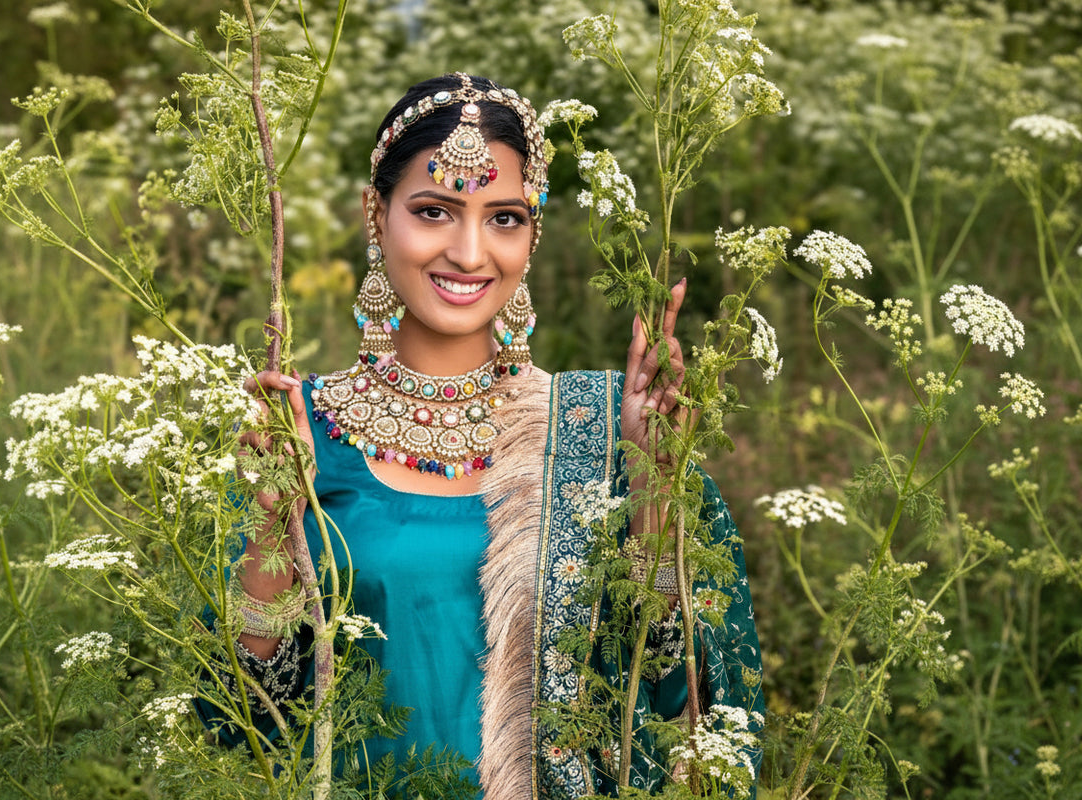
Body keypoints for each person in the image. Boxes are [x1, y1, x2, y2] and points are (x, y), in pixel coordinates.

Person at [214, 73, 763, 798]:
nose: (470, 253)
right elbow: (237, 724)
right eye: (435, 211)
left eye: (504, 217)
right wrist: (270, 520)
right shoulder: (299, 431)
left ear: (533, 232)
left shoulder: (599, 431)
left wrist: (652, 495)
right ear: (376, 216)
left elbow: (679, 712)